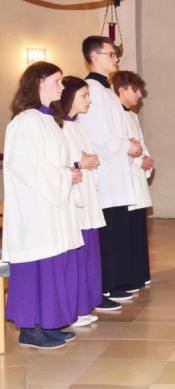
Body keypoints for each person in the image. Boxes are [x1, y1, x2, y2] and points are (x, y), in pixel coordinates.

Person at [3, 62, 83, 348]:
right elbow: (28, 168)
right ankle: (29, 328)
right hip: (35, 211)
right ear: (38, 82)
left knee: (51, 267)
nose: (62, 87)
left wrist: (69, 172)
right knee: (35, 268)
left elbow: (53, 162)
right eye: (57, 81)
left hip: (52, 206)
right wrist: (66, 176)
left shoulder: (49, 120)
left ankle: (46, 322)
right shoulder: (25, 122)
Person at [77, 35, 142, 308]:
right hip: (104, 174)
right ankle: (103, 287)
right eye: (111, 54)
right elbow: (100, 136)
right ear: (94, 57)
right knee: (106, 234)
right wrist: (127, 146)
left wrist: (129, 143)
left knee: (117, 230)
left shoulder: (107, 91)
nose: (116, 59)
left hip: (116, 172)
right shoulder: (91, 90)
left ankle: (115, 283)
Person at [53, 77, 109, 324]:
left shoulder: (76, 126)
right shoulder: (58, 127)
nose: (89, 100)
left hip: (87, 198)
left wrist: (90, 161)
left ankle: (84, 304)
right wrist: (79, 163)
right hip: (73, 200)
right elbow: (58, 163)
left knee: (88, 254)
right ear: (69, 97)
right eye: (84, 96)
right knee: (75, 256)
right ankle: (73, 308)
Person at [110, 70, 154, 289]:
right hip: (124, 180)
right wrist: (138, 162)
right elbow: (114, 147)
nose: (139, 95)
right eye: (136, 90)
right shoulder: (112, 116)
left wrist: (147, 160)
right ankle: (127, 278)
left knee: (137, 230)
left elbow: (140, 145)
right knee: (126, 232)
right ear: (122, 89)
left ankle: (139, 275)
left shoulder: (133, 116)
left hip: (137, 180)